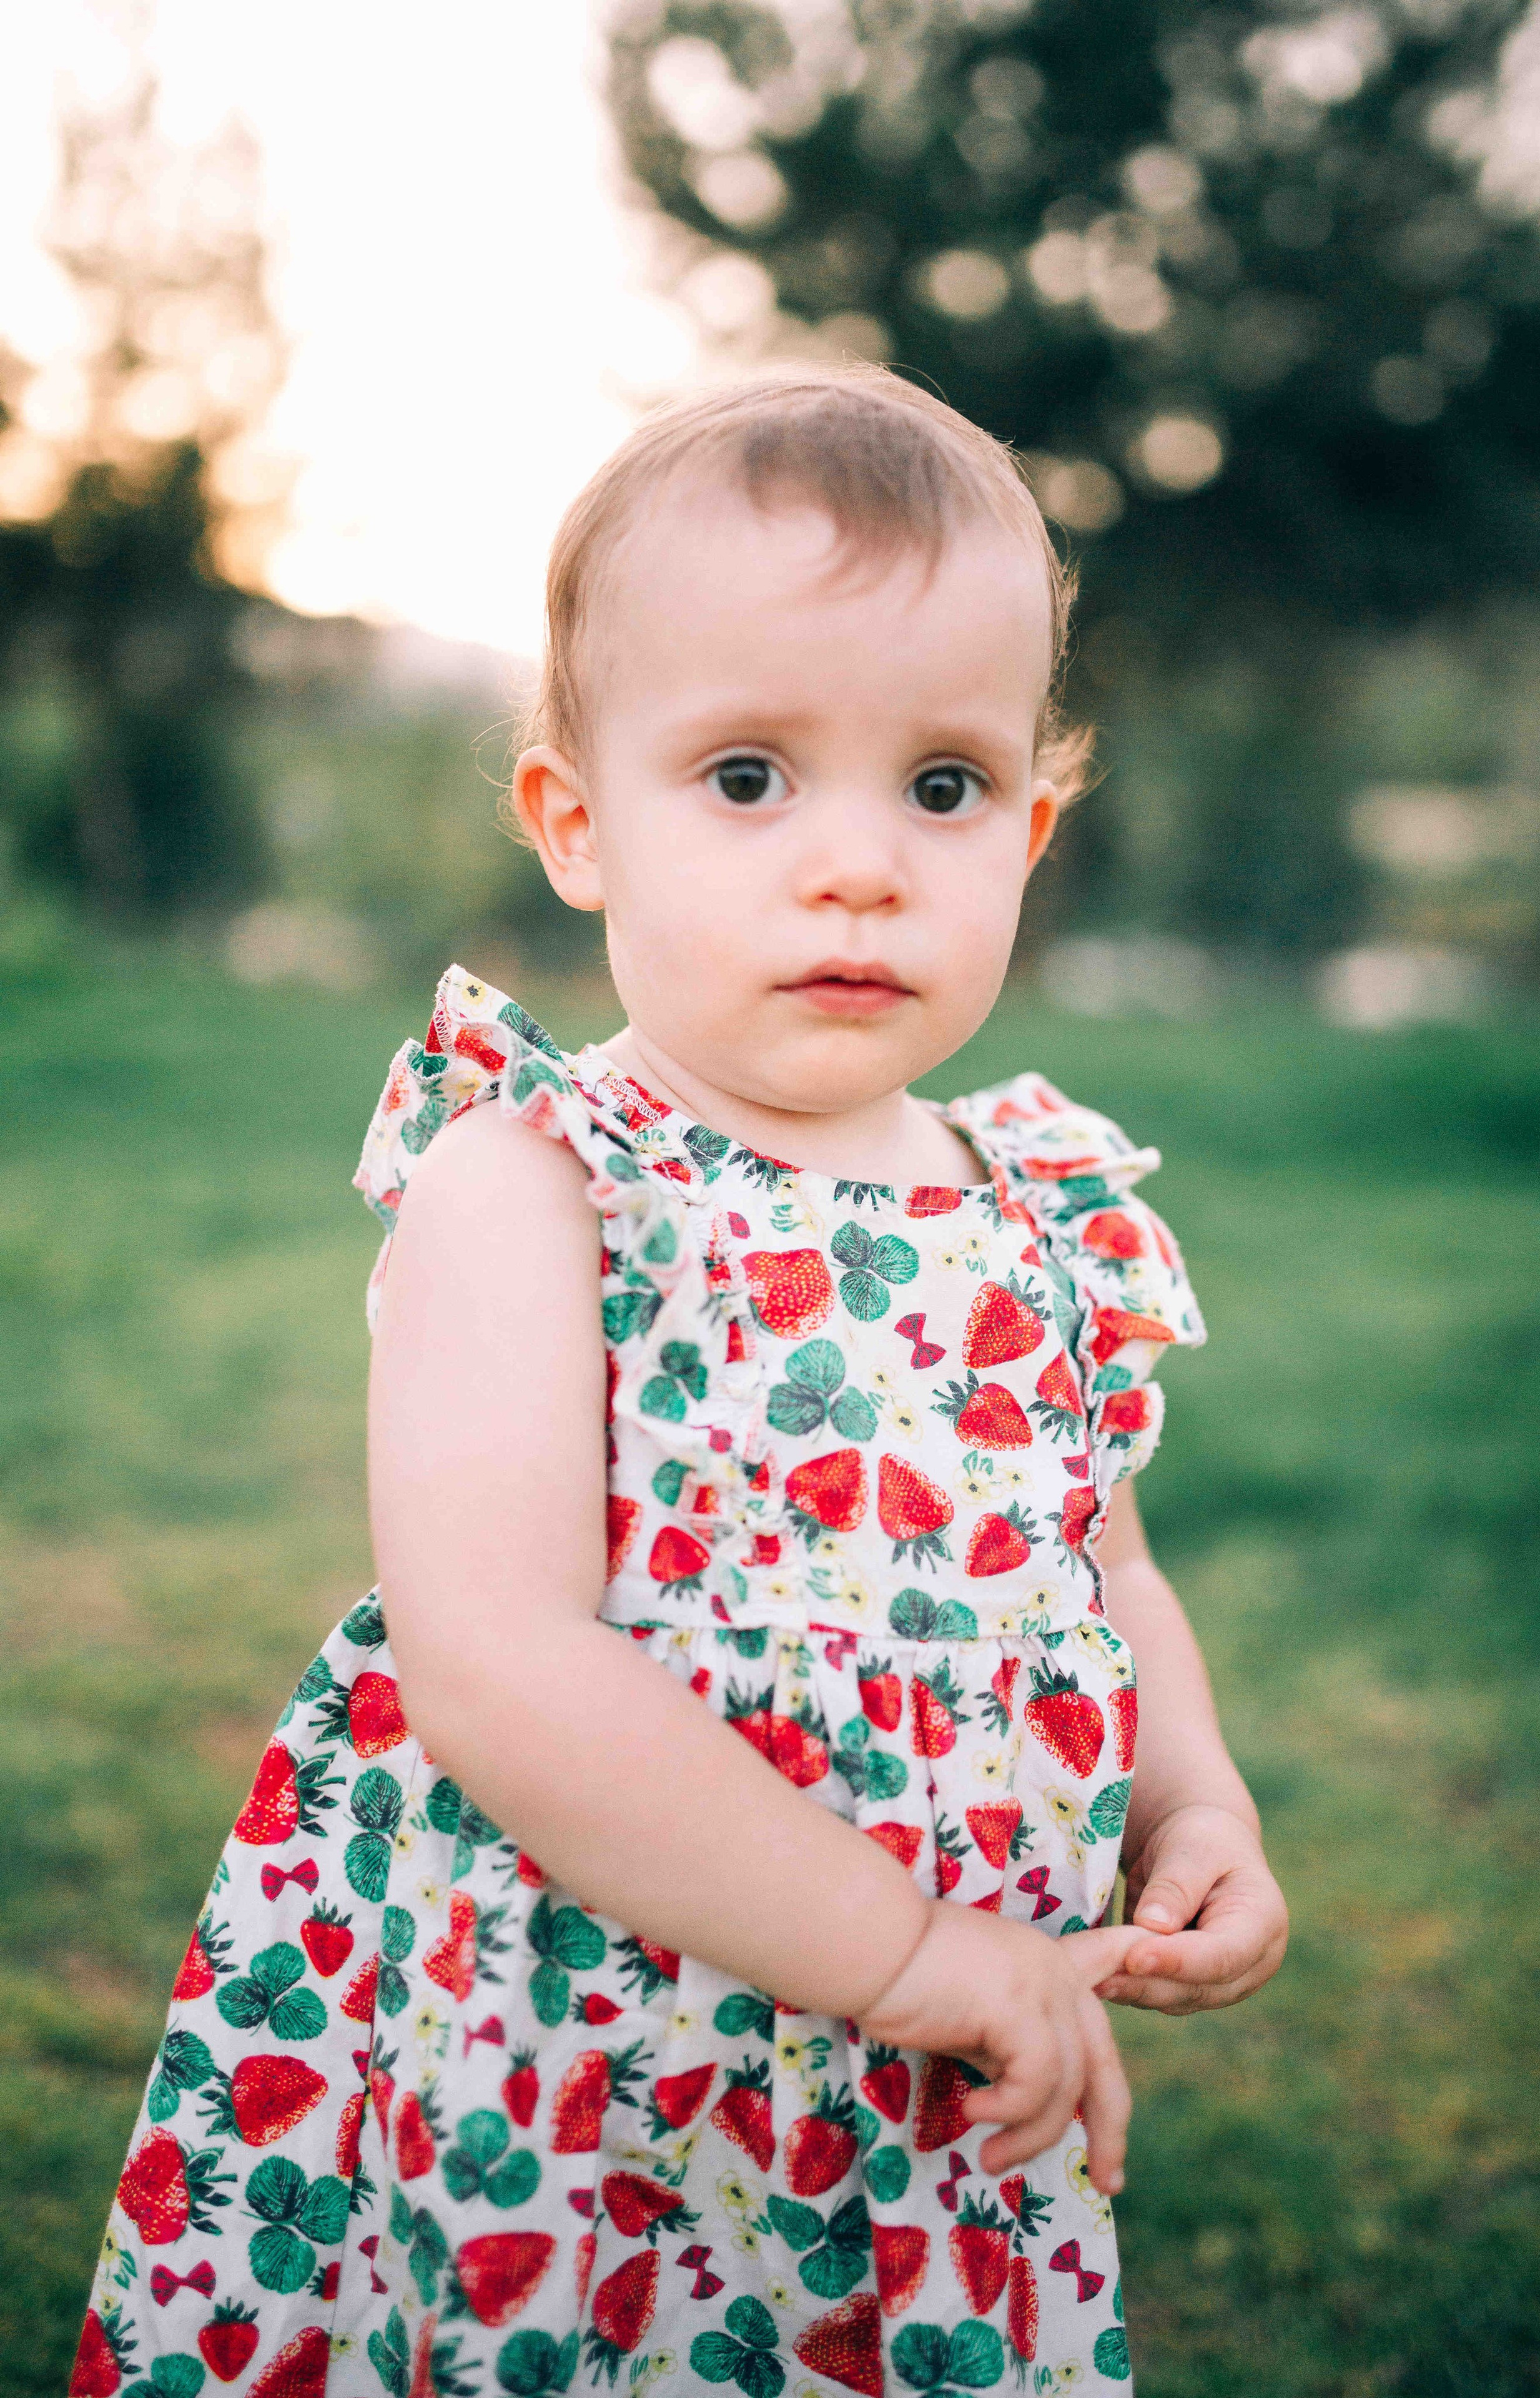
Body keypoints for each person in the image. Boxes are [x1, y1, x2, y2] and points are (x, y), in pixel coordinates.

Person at [78, 368, 1288, 2398]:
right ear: (577, 823)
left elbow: (1107, 1572)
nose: (858, 867)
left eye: (943, 787)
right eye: (746, 778)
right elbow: (503, 1664)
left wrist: (1198, 1799)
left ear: (1033, 831)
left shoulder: (1038, 1208)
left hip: (939, 2086)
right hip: (600, 2066)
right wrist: (909, 1955)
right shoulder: (536, 1183)